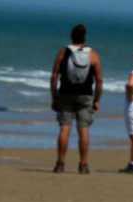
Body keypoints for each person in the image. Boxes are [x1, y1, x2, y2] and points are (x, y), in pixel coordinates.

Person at [50, 23, 103, 174]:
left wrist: (54, 97)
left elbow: (54, 76)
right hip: (86, 96)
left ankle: (60, 164)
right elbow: (99, 80)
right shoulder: (93, 54)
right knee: (84, 130)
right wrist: (97, 100)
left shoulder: (63, 52)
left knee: (64, 129)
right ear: (85, 37)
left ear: (71, 36)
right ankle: (84, 165)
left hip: (65, 94)